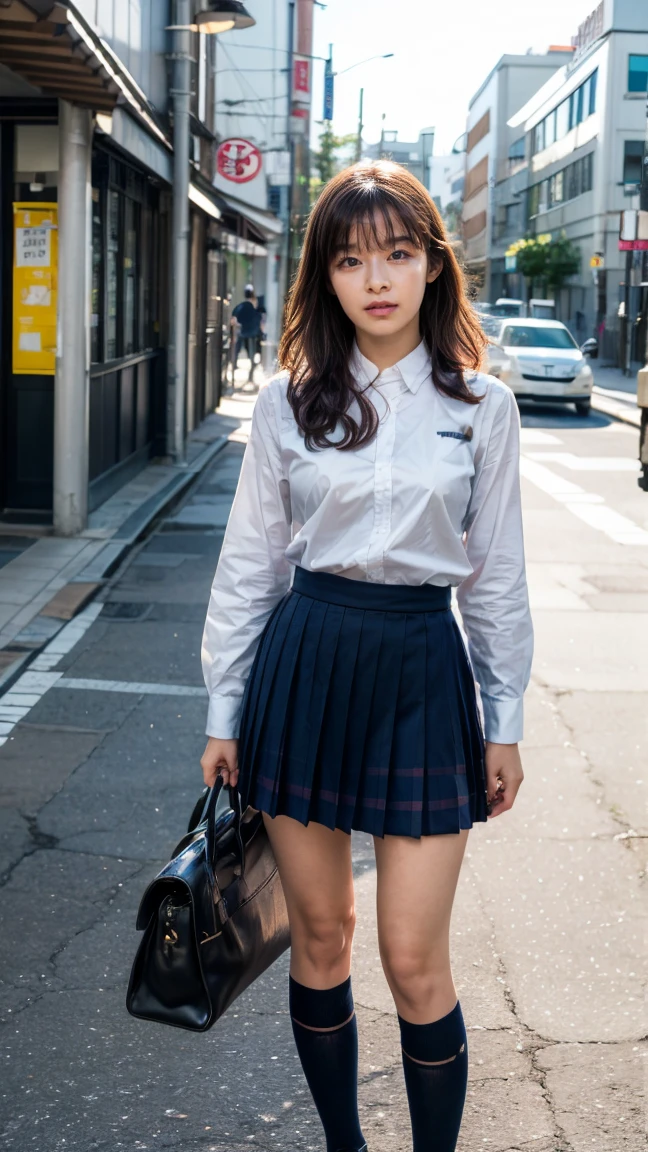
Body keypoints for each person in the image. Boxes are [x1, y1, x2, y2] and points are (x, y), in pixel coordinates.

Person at [201, 161, 534, 1152]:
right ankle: (345, 1144)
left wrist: (504, 719)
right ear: (326, 278)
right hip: (304, 666)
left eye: (397, 253)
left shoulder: (483, 406)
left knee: (412, 955)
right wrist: (225, 708)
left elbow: (499, 579)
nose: (376, 277)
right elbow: (251, 563)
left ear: (434, 264)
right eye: (350, 260)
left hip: (424, 672)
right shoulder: (287, 404)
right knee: (321, 936)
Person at [231, 284, 260, 382]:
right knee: (251, 355)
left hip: (242, 333)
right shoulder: (255, 306)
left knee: (237, 351)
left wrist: (238, 325)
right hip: (252, 334)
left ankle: (234, 369)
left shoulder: (241, 306)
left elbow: (233, 320)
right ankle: (250, 376)